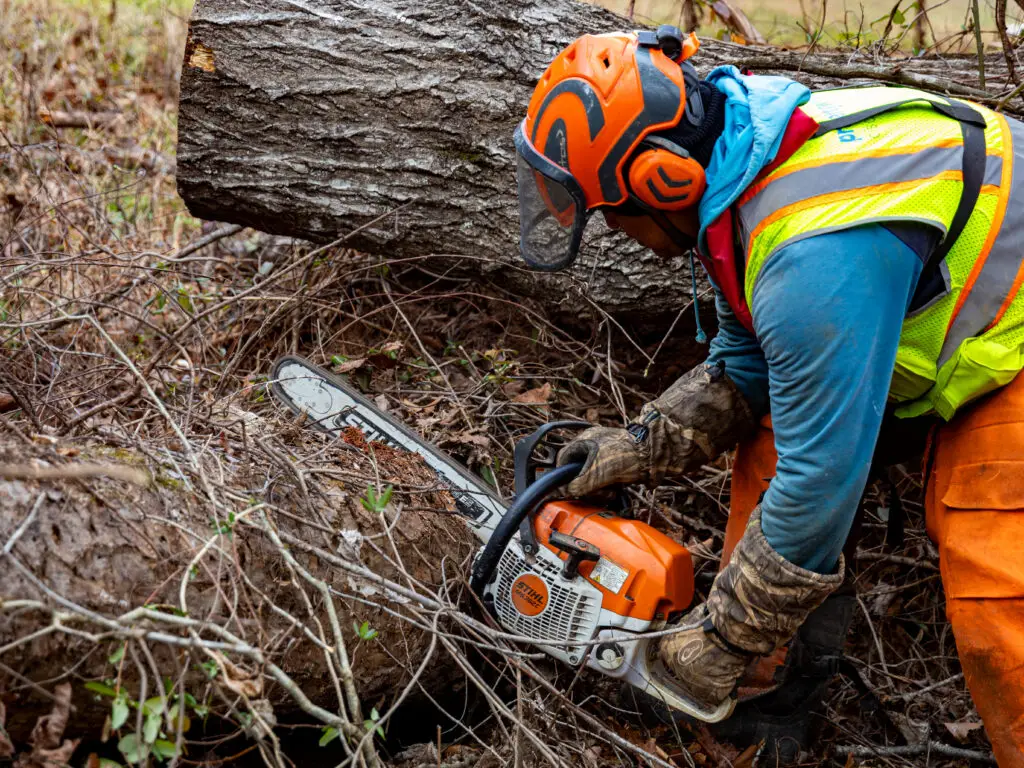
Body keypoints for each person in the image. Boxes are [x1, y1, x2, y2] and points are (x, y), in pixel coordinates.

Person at [512, 25, 1024, 766]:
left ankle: (732, 654)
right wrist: (640, 445)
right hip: (951, 321)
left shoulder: (808, 254)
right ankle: (765, 701)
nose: (616, 232)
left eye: (611, 212)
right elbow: (749, 361)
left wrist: (723, 634)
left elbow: (821, 481)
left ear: (662, 181)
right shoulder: (747, 161)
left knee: (997, 580)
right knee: (775, 441)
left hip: (1012, 337)